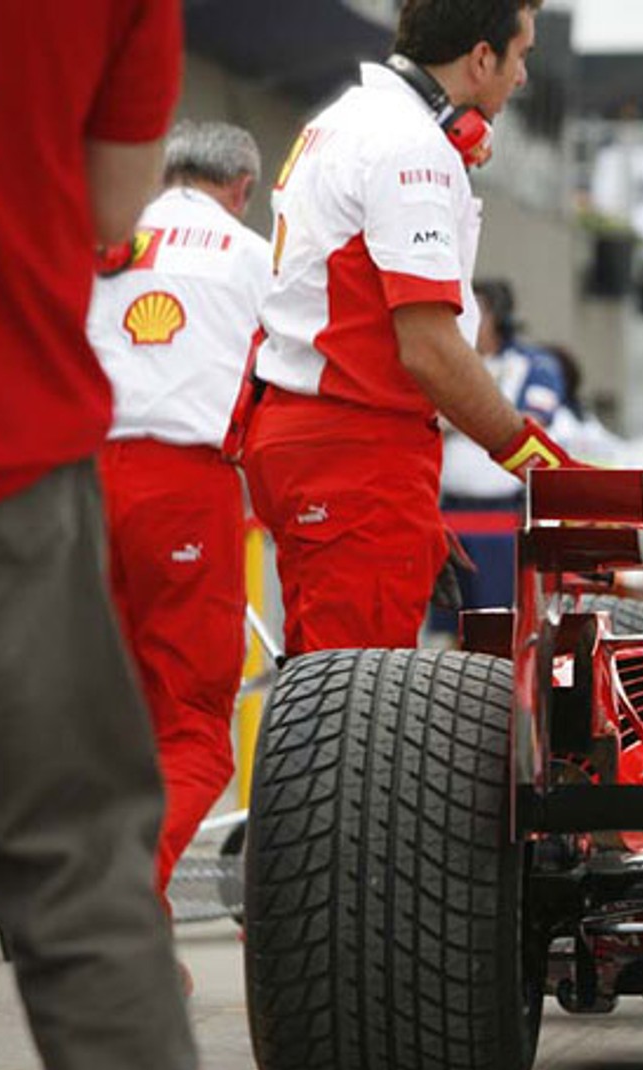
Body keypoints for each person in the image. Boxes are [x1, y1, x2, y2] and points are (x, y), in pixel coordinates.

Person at [0, 1, 248, 1070]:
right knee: (89, 863)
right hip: (1, 454)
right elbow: (99, 213)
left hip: (76, 463)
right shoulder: (233, 243)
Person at [245, 0, 581, 656]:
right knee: (354, 716)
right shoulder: (411, 149)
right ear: (482, 58)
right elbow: (427, 347)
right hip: (353, 450)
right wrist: (537, 461)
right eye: (522, 57)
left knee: (333, 686)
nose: (522, 79)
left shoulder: (350, 121)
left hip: (329, 442)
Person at [88, 121, 270, 916]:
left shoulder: (101, 240)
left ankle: (87, 903)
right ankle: (125, 897)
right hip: (184, 484)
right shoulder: (253, 256)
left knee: (93, 708)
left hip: (75, 482)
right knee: (195, 723)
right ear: (243, 189)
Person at [434, 278, 568, 625]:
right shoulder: (439, 361)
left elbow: (533, 420)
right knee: (449, 623)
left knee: (498, 623)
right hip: (447, 511)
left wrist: (459, 417)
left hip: (503, 516)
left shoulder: (534, 364)